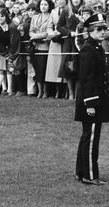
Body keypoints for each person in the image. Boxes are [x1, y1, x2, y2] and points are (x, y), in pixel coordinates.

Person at [74, 12, 109, 185]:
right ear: (90, 31)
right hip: (91, 101)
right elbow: (86, 78)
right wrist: (90, 103)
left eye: (105, 29)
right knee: (91, 138)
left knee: (87, 136)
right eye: (99, 29)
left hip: (95, 99)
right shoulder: (89, 48)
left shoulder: (96, 47)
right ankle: (89, 175)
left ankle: (81, 172)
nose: (103, 32)